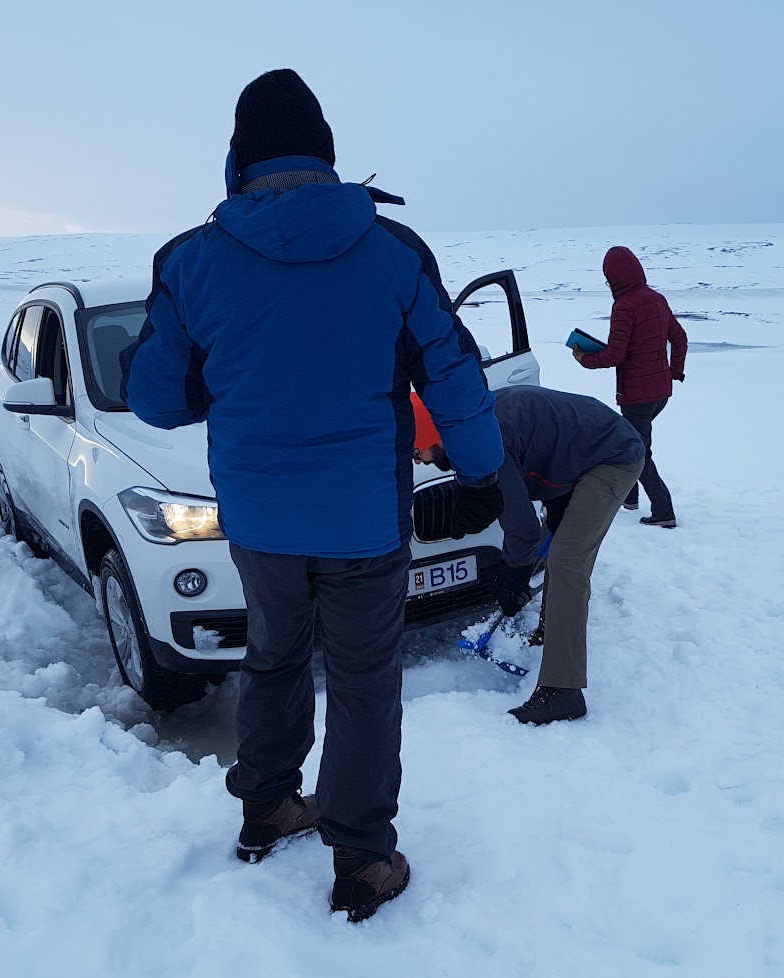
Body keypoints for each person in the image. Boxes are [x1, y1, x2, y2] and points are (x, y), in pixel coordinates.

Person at [122, 69, 505, 922]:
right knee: (365, 678)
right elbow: (451, 368)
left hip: (258, 516)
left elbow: (155, 397)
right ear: (328, 160)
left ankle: (266, 805)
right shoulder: (394, 251)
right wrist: (482, 464)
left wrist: (228, 381)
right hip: (364, 519)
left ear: (239, 161)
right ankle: (363, 858)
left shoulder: (190, 261)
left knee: (275, 656)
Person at [414, 385, 644, 724]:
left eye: (418, 451)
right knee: (556, 551)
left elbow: (520, 526)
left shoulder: (487, 442)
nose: (419, 460)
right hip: (576, 456)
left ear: (435, 436)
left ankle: (562, 691)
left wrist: (513, 574)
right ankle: (549, 636)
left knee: (567, 562)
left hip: (611, 456)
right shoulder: (468, 427)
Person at [571, 246, 688, 528]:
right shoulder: (656, 299)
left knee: (638, 451)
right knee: (631, 442)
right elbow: (680, 338)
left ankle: (664, 511)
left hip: (637, 396)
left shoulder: (624, 307)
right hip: (661, 392)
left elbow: (615, 355)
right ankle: (631, 498)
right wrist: (675, 372)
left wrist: (584, 358)